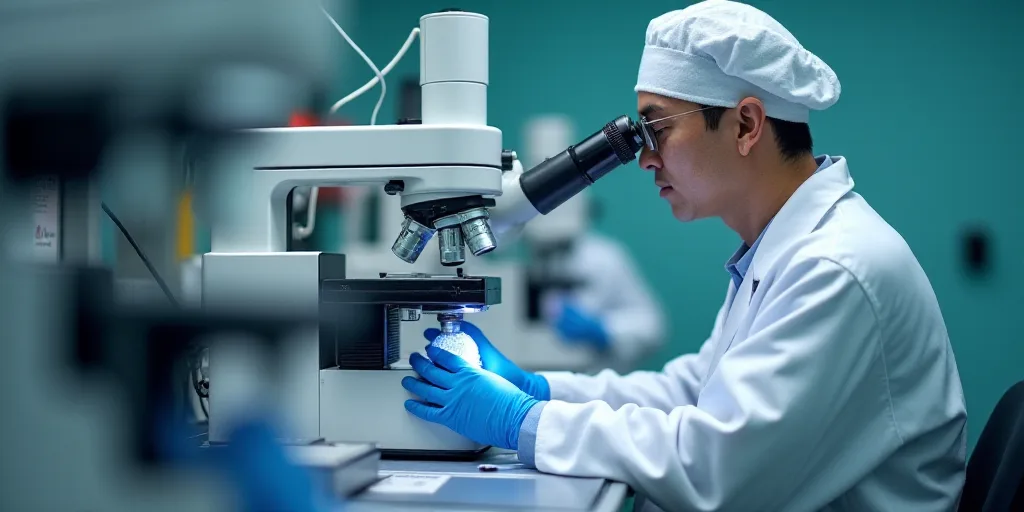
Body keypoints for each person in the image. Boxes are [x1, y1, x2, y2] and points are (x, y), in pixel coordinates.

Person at [401, 1, 968, 510]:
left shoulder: (834, 268)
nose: (645, 158)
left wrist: (521, 421)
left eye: (655, 127)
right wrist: (540, 387)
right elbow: (694, 391)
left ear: (746, 124)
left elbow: (716, 471)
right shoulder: (780, 251)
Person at [521, 189, 666, 373]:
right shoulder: (514, 256)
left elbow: (652, 326)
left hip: (593, 379)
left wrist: (606, 331)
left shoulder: (605, 258)